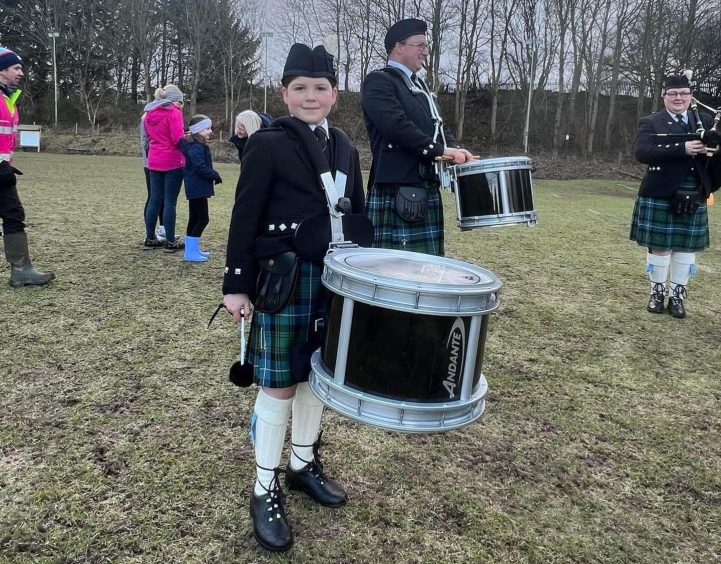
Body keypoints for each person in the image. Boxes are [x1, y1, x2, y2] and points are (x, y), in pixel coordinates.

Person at [222, 43, 365, 552]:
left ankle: (302, 464)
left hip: (333, 280)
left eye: (320, 88)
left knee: (316, 380)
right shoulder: (269, 143)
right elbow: (244, 215)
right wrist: (236, 284)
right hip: (285, 280)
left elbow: (357, 215)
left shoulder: (345, 145)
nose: (311, 96)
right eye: (300, 88)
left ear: (335, 93)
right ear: (284, 94)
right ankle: (265, 487)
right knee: (280, 384)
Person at [361, 18, 474, 256]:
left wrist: (457, 151)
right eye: (419, 45)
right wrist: (441, 151)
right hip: (395, 194)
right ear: (398, 46)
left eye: (426, 45)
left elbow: (438, 129)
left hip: (425, 190)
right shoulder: (379, 81)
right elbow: (397, 127)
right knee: (392, 273)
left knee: (428, 272)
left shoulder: (421, 88)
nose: (425, 51)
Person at [630, 72, 721, 318]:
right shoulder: (651, 122)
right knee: (659, 247)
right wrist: (682, 148)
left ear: (690, 96)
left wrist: (710, 183)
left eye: (683, 93)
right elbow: (642, 152)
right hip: (660, 190)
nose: (678, 98)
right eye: (673, 94)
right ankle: (657, 293)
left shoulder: (704, 119)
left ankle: (677, 296)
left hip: (695, 189)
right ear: (664, 98)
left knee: (685, 248)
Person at [0, 46, 54, 287]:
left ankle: (22, 270)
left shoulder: (7, 97)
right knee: (13, 215)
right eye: (16, 67)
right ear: (2, 70)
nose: (21, 72)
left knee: (14, 215)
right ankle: (21, 269)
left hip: (3, 169)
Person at [142, 85, 186, 253]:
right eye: (180, 102)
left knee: (154, 198)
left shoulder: (149, 114)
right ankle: (170, 240)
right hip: (172, 162)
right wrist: (187, 139)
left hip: (154, 160)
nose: (181, 106)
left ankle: (150, 237)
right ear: (173, 100)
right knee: (170, 202)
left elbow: (149, 136)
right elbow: (177, 138)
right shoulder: (174, 113)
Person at [179, 114, 222, 262]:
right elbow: (199, 166)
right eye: (207, 128)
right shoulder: (196, 146)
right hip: (197, 187)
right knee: (203, 219)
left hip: (196, 187)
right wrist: (215, 175)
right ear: (198, 130)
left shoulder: (195, 144)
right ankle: (190, 251)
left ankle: (192, 250)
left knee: (194, 218)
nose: (210, 131)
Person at [140, 110, 165, 245]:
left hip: (155, 162)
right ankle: (149, 232)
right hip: (151, 164)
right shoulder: (148, 117)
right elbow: (145, 142)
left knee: (161, 197)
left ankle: (162, 229)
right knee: (153, 197)